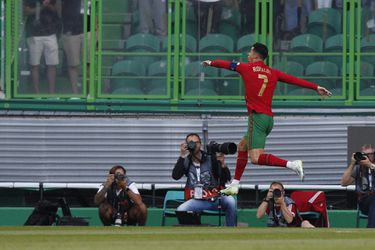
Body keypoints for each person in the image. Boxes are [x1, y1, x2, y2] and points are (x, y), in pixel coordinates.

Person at [202, 42, 332, 195]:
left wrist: (210, 62)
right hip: (268, 119)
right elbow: (293, 79)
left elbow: (226, 64)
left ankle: (292, 164)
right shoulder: (272, 72)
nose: (248, 55)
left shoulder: (245, 67)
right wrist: (315, 87)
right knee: (242, 146)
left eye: (250, 52)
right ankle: (235, 184)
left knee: (256, 158)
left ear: (256, 55)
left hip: (256, 117)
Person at [172, 133, 237, 226]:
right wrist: (182, 156)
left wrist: (222, 164)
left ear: (200, 144)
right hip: (198, 200)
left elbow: (225, 179)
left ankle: (231, 229)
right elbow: (175, 176)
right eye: (190, 143)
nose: (193, 145)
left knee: (230, 201)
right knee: (181, 210)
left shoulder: (210, 158)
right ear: (186, 145)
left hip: (215, 197)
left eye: (196, 142)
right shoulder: (186, 161)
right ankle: (194, 232)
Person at [24, 0, 61, 94]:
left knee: (52, 64)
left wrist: (48, 5)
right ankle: (37, 94)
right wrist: (42, 7)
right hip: (33, 33)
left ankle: (51, 94)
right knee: (34, 64)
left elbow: (59, 11)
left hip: (51, 32)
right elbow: (26, 12)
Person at [61, 0, 94, 94]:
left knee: (89, 63)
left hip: (89, 29)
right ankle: (75, 94)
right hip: (71, 30)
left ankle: (89, 92)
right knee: (73, 64)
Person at [341, 144, 375, 228]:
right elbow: (344, 182)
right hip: (364, 200)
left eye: (369, 154)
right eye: (364, 155)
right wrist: (352, 164)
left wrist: (370, 165)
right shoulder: (358, 168)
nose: (366, 157)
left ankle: (371, 229)